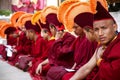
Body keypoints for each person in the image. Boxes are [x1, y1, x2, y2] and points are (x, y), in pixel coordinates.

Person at [70, 1, 120, 80]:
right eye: (96, 29)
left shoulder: (118, 44)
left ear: (115, 27)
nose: (100, 33)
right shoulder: (101, 46)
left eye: (104, 28)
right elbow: (87, 68)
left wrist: (99, 60)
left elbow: (114, 75)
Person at [60, 1, 98, 80]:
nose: (74, 30)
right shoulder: (78, 40)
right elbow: (66, 53)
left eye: (76, 27)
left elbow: (90, 67)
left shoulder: (92, 41)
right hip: (79, 69)